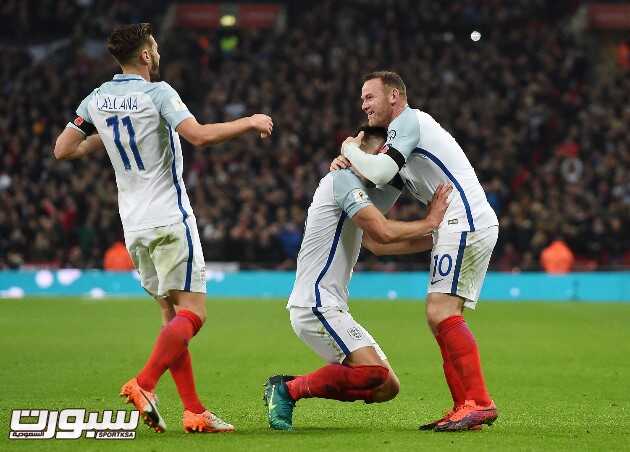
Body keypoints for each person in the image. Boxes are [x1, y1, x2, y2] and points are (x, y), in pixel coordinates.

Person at [53, 23, 273, 433]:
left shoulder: (96, 98)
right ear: (146, 56)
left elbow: (63, 149)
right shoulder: (159, 93)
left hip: (133, 225)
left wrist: (107, 138)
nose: (158, 53)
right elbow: (199, 136)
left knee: (171, 317)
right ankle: (145, 383)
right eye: (154, 48)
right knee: (194, 314)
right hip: (170, 217)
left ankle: (193, 411)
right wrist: (250, 121)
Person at [333, 71, 500, 431]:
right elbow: (376, 207)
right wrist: (347, 167)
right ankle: (464, 406)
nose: (363, 106)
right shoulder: (400, 147)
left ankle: (479, 402)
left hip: (463, 219)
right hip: (457, 223)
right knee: (439, 315)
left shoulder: (409, 121)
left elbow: (378, 172)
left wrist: (347, 147)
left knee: (441, 312)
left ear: (394, 96)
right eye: (362, 99)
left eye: (369, 97)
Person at [263, 125, 452, 431]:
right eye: (388, 157)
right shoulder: (342, 180)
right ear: (374, 154)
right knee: (373, 373)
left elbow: (376, 244)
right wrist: (430, 222)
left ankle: (293, 387)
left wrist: (439, 238)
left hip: (332, 305)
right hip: (315, 303)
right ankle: (287, 390)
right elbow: (383, 231)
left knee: (386, 386)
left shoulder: (359, 187)